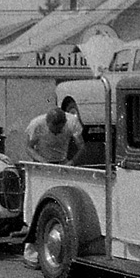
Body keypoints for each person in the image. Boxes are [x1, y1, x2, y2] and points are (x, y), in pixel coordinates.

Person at [22, 107, 85, 268]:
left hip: (62, 164)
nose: (57, 133)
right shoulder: (36, 125)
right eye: (53, 130)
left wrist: (71, 162)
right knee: (37, 207)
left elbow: (81, 146)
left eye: (60, 130)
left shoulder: (72, 122)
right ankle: (30, 254)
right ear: (47, 122)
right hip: (42, 165)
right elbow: (28, 147)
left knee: (60, 206)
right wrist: (42, 161)